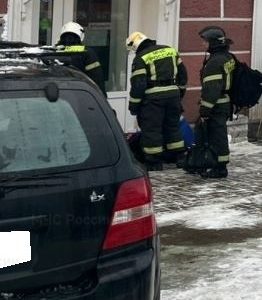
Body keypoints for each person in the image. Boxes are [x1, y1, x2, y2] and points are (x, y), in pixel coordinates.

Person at [126, 31, 188, 171]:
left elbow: (139, 84)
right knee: (172, 126)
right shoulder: (170, 50)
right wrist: (180, 92)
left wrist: (134, 105)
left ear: (135, 45)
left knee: (152, 129)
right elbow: (183, 74)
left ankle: (154, 162)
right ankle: (179, 156)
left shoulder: (141, 58)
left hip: (153, 99)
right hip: (173, 96)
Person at [197, 26, 236, 178]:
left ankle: (220, 168)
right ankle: (209, 162)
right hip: (224, 102)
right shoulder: (227, 57)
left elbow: (212, 89)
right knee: (213, 133)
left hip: (216, 104)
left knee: (217, 135)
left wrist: (205, 110)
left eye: (205, 42)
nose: (203, 44)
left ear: (213, 43)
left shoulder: (214, 62)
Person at [56, 21, 106, 97]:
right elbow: (97, 78)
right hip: (81, 96)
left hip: (58, 96)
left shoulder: (54, 52)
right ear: (80, 36)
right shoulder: (87, 53)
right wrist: (102, 98)